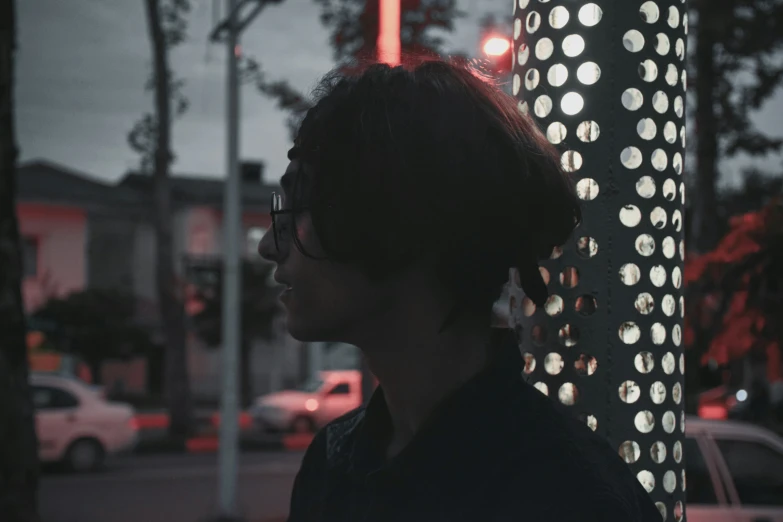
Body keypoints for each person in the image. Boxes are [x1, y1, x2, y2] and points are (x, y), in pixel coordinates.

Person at [258, 58, 660, 522]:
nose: (271, 245)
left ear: (402, 220)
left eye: (298, 205)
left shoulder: (565, 496)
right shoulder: (331, 462)